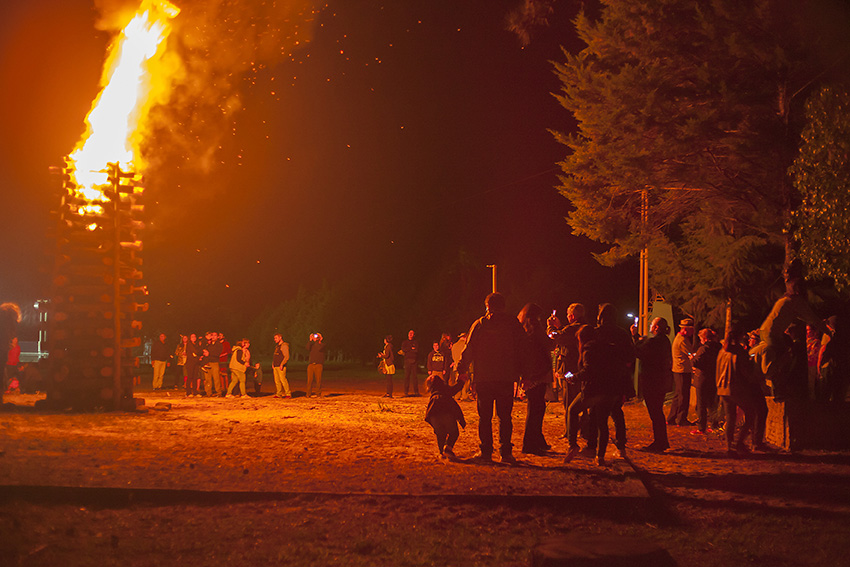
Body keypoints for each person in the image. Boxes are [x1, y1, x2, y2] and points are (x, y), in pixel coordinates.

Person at [457, 292, 526, 464]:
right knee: (505, 417)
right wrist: (524, 374)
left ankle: (486, 452)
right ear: (503, 306)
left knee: (485, 417)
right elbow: (523, 350)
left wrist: (462, 368)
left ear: (487, 306)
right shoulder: (513, 324)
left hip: (484, 377)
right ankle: (506, 453)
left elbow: (469, 348)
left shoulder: (480, 324)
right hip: (506, 377)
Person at [563, 325, 620, 466]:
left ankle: (572, 444)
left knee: (572, 410)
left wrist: (574, 377)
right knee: (602, 423)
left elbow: (589, 370)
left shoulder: (589, 349)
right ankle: (600, 456)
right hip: (611, 389)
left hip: (594, 389)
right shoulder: (609, 347)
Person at [590, 303, 635, 459]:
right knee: (617, 412)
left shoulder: (596, 333)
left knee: (596, 413)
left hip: (600, 378)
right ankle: (621, 447)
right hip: (618, 378)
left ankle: (593, 446)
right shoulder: (622, 334)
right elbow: (630, 356)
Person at [716, 328, 760, 456]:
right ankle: (740, 441)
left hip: (722, 388)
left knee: (730, 417)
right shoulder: (739, 351)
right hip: (736, 388)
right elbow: (745, 371)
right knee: (751, 413)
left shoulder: (722, 351)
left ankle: (729, 445)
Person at [517, 303, 553, 456]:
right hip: (538, 372)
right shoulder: (535, 327)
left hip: (531, 371)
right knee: (536, 408)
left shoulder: (523, 329)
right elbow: (549, 344)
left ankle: (537, 440)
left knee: (536, 407)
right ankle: (530, 444)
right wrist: (551, 329)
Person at [633, 317, 672, 452]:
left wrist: (635, 338)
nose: (650, 326)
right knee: (658, 412)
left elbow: (639, 352)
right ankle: (662, 441)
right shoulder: (664, 341)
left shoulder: (655, 342)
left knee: (655, 413)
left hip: (652, 382)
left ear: (656, 327)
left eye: (652, 324)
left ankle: (659, 442)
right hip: (660, 381)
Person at [547, 303, 586, 434]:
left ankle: (570, 431)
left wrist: (551, 327)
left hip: (569, 370)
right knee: (583, 400)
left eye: (568, 315)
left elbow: (555, 337)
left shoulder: (571, 329)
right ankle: (584, 428)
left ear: (572, 316)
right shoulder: (586, 327)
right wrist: (560, 327)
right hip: (582, 370)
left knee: (569, 401)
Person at [424, 373, 467, 461]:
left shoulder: (434, 393)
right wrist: (461, 381)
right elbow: (454, 389)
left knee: (440, 434)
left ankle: (442, 453)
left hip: (434, 413)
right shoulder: (444, 389)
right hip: (446, 412)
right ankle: (448, 448)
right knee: (454, 432)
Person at [691, 328, 722, 435]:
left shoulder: (704, 349)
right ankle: (714, 425)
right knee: (712, 404)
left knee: (701, 404)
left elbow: (696, 362)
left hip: (703, 379)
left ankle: (701, 427)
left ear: (704, 338)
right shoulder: (718, 347)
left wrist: (692, 358)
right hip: (713, 377)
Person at [667, 318, 695, 426]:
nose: (692, 332)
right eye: (691, 330)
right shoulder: (683, 341)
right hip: (683, 370)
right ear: (685, 329)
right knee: (684, 395)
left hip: (678, 370)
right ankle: (681, 419)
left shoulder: (679, 338)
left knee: (678, 395)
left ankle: (671, 417)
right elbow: (690, 354)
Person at [451, 333, 472, 401]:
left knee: (457, 381)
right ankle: (464, 395)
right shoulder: (465, 345)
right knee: (465, 381)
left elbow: (453, 356)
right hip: (463, 365)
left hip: (456, 366)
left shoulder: (454, 345)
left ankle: (457, 395)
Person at [400, 330, 420, 396]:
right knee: (407, 377)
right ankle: (406, 392)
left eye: (412, 333)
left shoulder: (416, 342)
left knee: (415, 377)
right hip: (407, 361)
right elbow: (403, 349)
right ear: (408, 334)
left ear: (414, 335)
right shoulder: (405, 342)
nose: (411, 334)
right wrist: (411, 349)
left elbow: (416, 350)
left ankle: (416, 392)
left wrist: (409, 350)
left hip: (414, 361)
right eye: (410, 333)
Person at [272, 333, 291, 398]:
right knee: (277, 381)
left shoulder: (284, 346)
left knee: (283, 380)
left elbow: (286, 356)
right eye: (274, 338)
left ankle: (288, 393)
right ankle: (279, 393)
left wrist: (282, 364)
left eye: (276, 338)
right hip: (276, 366)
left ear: (280, 338)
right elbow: (275, 356)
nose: (275, 339)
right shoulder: (277, 346)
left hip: (281, 366)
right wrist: (273, 363)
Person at [205, 332, 224, 397]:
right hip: (208, 362)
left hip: (214, 363)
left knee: (216, 378)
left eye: (215, 335)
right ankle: (208, 392)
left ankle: (218, 392)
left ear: (217, 337)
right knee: (208, 379)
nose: (213, 337)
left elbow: (217, 353)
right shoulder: (208, 344)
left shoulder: (219, 344)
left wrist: (209, 354)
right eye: (212, 335)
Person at [306, 332, 325, 397]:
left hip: (318, 364)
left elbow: (319, 348)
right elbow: (307, 348)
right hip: (311, 364)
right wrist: (310, 340)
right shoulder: (312, 345)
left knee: (318, 380)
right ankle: (308, 394)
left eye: (317, 336)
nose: (316, 338)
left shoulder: (322, 345)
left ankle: (318, 393)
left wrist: (318, 340)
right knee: (309, 380)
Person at [184, 333, 202, 397]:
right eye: (192, 337)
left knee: (195, 377)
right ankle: (188, 392)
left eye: (194, 337)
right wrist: (198, 356)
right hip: (190, 363)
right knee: (190, 377)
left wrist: (197, 356)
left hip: (196, 363)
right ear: (190, 338)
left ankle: (195, 392)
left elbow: (199, 351)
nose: (194, 338)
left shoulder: (196, 344)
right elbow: (195, 352)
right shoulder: (189, 344)